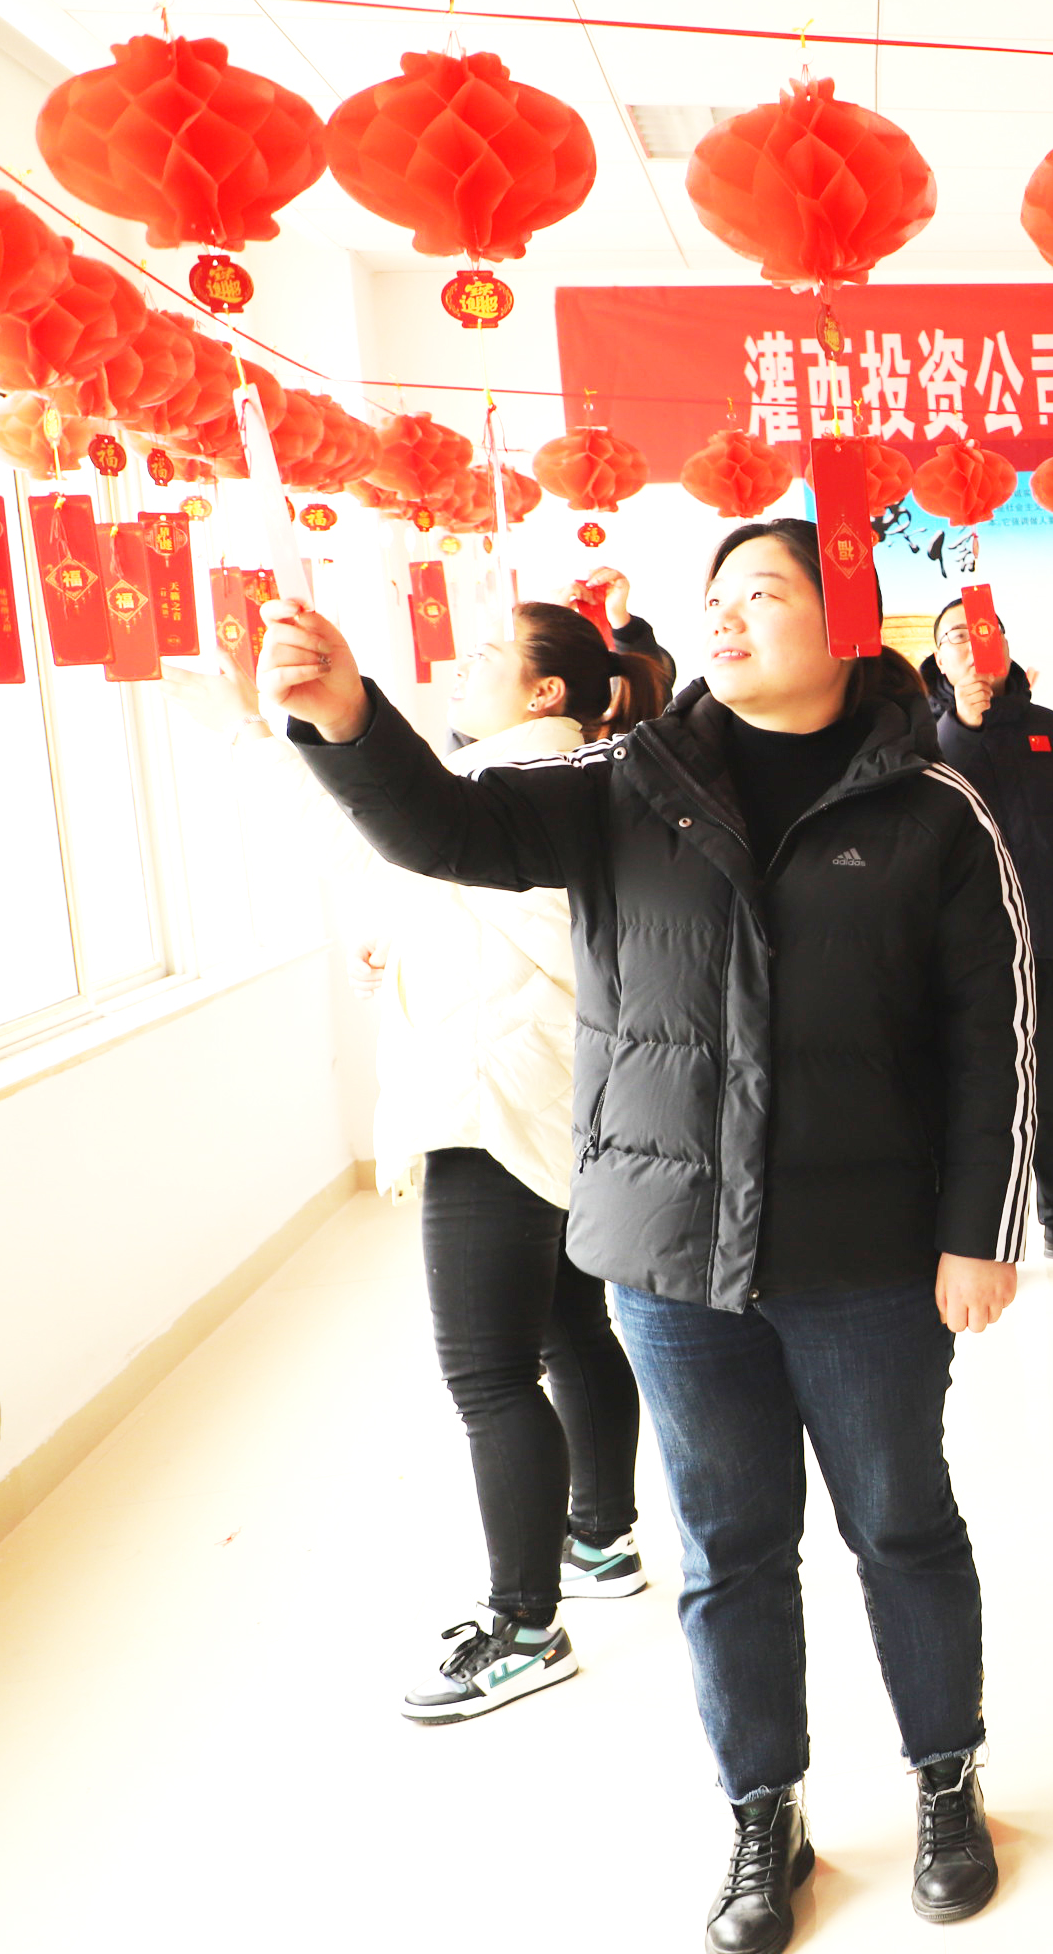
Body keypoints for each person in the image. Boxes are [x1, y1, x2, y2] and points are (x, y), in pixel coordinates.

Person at [262, 520, 1034, 1952]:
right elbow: (449, 828)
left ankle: (946, 1776)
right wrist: (349, 723)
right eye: (716, 596)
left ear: (845, 623)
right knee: (729, 1546)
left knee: (899, 1525)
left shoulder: (936, 808)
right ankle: (763, 1808)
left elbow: (998, 1038)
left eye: (764, 593)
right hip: (677, 1259)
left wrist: (980, 1231)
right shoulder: (627, 780)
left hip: (869, 1255)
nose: (726, 617)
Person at [363, 603, 667, 1723]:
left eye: (489, 653)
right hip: (543, 1089)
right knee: (570, 1328)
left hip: (494, 1100)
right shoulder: (543, 780)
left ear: (546, 692)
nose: (462, 664)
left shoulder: (520, 790)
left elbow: (556, 932)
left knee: (487, 1374)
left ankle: (525, 1627)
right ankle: (601, 1540)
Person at [926, 596, 1053, 1268]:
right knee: (964, 1088)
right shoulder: (927, 735)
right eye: (956, 636)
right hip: (966, 949)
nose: (972, 645)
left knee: (1049, 1089)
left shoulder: (1051, 731)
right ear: (939, 657)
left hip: (1049, 940)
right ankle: (960, 1236)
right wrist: (965, 722)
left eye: (984, 632)